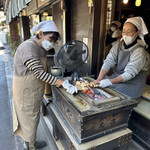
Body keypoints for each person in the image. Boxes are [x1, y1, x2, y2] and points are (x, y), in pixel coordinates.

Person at [12, 20, 78, 150]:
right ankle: (30, 146)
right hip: (25, 90)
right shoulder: (28, 47)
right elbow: (39, 73)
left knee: (34, 117)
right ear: (40, 34)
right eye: (50, 39)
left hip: (34, 89)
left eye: (54, 41)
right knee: (27, 120)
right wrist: (61, 82)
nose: (51, 43)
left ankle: (32, 142)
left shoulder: (41, 48)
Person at [94, 16, 150, 99]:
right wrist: (99, 78)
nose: (125, 34)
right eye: (123, 31)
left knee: (112, 94)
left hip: (132, 84)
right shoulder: (118, 46)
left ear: (137, 32)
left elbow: (130, 73)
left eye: (129, 31)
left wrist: (110, 81)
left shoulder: (139, 51)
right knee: (101, 88)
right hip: (118, 78)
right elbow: (109, 61)